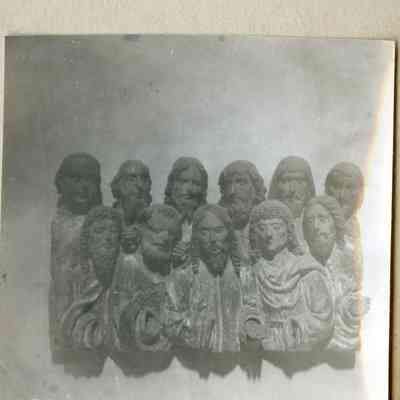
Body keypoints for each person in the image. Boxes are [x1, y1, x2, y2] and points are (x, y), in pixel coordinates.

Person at [241, 200, 334, 351]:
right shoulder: (252, 273)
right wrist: (252, 326)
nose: (269, 234)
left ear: (289, 231)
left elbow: (324, 319)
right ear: (254, 234)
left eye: (276, 227)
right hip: (264, 352)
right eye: (262, 228)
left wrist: (287, 334)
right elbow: (248, 311)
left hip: (300, 352)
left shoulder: (307, 271)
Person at [165, 204, 243, 352]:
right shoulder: (183, 275)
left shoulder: (243, 272)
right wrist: (192, 328)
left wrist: (251, 323)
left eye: (218, 231)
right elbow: (170, 321)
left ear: (228, 233)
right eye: (204, 232)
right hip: (196, 358)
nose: (212, 239)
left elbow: (253, 307)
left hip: (235, 358)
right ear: (196, 237)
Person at [50, 152, 102, 363]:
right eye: (76, 178)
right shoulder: (59, 222)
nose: (83, 186)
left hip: (92, 297)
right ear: (61, 183)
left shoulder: (100, 222)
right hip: (65, 295)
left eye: (91, 180)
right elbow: (59, 271)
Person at [111, 204, 182, 353]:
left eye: (171, 233)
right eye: (157, 230)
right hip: (138, 347)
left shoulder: (173, 273)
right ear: (139, 232)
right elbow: (122, 317)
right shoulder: (129, 263)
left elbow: (180, 312)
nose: (165, 238)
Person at [303, 195, 368, 351]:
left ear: (336, 223)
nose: (315, 227)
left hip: (347, 343)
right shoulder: (300, 265)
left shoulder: (351, 258)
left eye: (322, 219)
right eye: (310, 221)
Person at [60, 206, 122, 353]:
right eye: (99, 231)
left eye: (113, 231)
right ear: (87, 241)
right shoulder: (75, 276)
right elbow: (67, 322)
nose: (107, 238)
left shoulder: (124, 273)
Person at [218, 160, 267, 263]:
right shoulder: (214, 228)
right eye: (228, 184)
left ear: (256, 188)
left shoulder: (271, 226)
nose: (232, 191)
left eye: (241, 182)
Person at [164, 157, 208, 268]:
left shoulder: (210, 224)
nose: (190, 189)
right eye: (183, 181)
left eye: (196, 183)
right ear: (172, 184)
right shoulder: (155, 220)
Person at [268, 156, 315, 249]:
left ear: (309, 187)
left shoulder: (318, 227)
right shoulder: (264, 229)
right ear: (276, 186)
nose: (292, 189)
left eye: (299, 181)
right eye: (286, 181)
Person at [110, 160, 152, 254]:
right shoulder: (105, 221)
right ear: (119, 184)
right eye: (132, 179)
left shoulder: (155, 224)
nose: (140, 185)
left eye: (144, 179)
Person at [325, 162, 364, 256]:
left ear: (361, 192)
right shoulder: (318, 226)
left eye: (349, 187)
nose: (342, 195)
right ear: (327, 189)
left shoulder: (359, 226)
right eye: (336, 187)